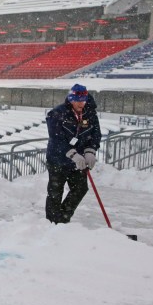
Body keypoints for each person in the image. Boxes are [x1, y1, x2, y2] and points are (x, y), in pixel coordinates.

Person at [45, 83, 101, 224]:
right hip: (58, 159)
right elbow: (56, 138)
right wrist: (72, 154)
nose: (81, 103)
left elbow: (95, 134)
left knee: (80, 189)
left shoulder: (90, 113)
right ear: (70, 99)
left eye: (83, 100)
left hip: (79, 161)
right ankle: (52, 223)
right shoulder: (57, 113)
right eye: (77, 100)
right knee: (55, 193)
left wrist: (90, 151)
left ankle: (63, 218)